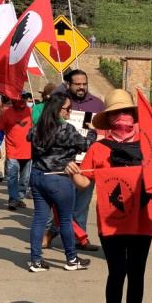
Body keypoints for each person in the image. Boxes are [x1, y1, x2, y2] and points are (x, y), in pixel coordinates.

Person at [71, 89, 152, 303]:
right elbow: (86, 182)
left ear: (134, 116)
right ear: (108, 120)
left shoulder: (150, 145)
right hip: (112, 221)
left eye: (127, 113)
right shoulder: (98, 148)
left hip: (143, 220)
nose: (123, 118)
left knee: (137, 273)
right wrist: (73, 172)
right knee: (117, 272)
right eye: (116, 114)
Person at [27, 92, 96, 272]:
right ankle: (72, 259)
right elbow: (86, 144)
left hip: (37, 176)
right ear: (58, 110)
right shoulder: (66, 129)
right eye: (67, 109)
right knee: (65, 219)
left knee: (39, 219)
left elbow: (30, 138)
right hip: (59, 177)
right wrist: (93, 131)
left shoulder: (36, 129)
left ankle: (35, 260)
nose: (69, 112)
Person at [64, 69, 105, 251]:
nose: (81, 87)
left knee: (83, 202)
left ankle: (80, 238)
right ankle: (50, 232)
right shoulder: (61, 103)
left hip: (89, 162)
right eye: (77, 84)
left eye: (84, 84)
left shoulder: (98, 105)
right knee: (61, 201)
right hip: (64, 162)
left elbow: (105, 130)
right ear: (68, 85)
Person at [0, 93, 34, 211]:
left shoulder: (31, 111)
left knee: (25, 178)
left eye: (23, 98)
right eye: (18, 98)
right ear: (12, 99)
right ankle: (13, 199)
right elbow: (0, 131)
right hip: (12, 151)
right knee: (12, 176)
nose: (21, 101)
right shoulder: (6, 113)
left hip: (28, 152)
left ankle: (20, 198)